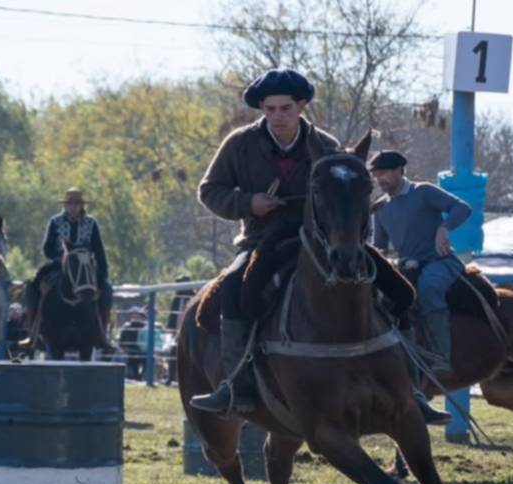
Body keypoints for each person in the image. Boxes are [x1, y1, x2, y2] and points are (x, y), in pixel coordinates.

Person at [188, 68, 437, 421]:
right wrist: (249, 203)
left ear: (302, 106)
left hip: (325, 241)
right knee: (233, 286)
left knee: (400, 289)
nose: (277, 117)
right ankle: (237, 385)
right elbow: (208, 191)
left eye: (286, 108)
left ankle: (412, 388)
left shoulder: (328, 146)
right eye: (270, 109)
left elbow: (351, 197)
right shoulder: (239, 144)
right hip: (263, 240)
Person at [369, 150, 471, 378]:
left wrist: (443, 229)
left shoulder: (423, 191)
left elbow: (462, 208)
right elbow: (380, 247)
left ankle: (441, 357)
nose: (379, 179)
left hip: (441, 262)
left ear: (399, 171)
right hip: (406, 265)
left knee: (429, 286)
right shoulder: (380, 207)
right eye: (376, 175)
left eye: (384, 173)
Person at [33, 188, 114, 346]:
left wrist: (102, 275)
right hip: (60, 264)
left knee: (107, 290)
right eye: (70, 204)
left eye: (77, 204)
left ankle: (103, 334)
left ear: (82, 206)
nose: (73, 207)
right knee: (32, 286)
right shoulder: (55, 222)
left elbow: (99, 250)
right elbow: (47, 248)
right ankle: (34, 332)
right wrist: (61, 257)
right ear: (65, 205)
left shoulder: (91, 223)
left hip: (85, 267)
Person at [165, 274, 195, 385]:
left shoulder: (194, 297)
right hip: (176, 331)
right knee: (173, 353)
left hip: (189, 331)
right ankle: (171, 377)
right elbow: (172, 316)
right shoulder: (176, 299)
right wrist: (170, 329)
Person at [117, 307, 148, 380]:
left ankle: (142, 375)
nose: (136, 318)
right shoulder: (127, 327)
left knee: (148, 361)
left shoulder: (146, 328)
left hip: (144, 352)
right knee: (132, 366)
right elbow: (121, 342)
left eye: (139, 316)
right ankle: (134, 375)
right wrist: (123, 350)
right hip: (130, 352)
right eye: (135, 316)